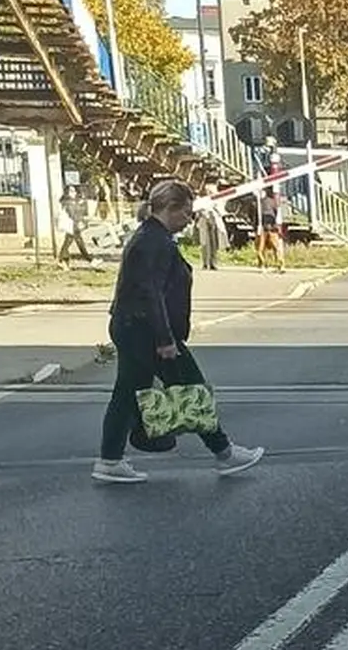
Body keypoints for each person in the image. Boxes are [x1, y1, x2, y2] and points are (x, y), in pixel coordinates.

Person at [94, 180, 263, 484]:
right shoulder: (155, 242)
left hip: (131, 326)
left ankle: (110, 460)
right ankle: (224, 453)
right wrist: (165, 340)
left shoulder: (148, 235)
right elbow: (151, 292)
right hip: (148, 331)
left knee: (127, 394)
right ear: (169, 209)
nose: (188, 220)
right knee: (192, 386)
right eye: (185, 214)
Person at [256, 185, 286, 270]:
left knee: (260, 248)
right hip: (271, 226)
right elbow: (276, 213)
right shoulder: (274, 202)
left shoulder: (261, 202)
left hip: (263, 227)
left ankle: (263, 264)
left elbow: (257, 215)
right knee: (275, 247)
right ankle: (280, 264)